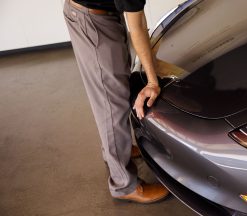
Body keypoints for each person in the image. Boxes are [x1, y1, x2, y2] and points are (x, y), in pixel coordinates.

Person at [63, 0, 169, 203]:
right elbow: (136, 28)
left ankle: (117, 149)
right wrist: (152, 81)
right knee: (112, 102)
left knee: (111, 89)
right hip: (92, 19)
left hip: (93, 13)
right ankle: (124, 185)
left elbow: (136, 15)